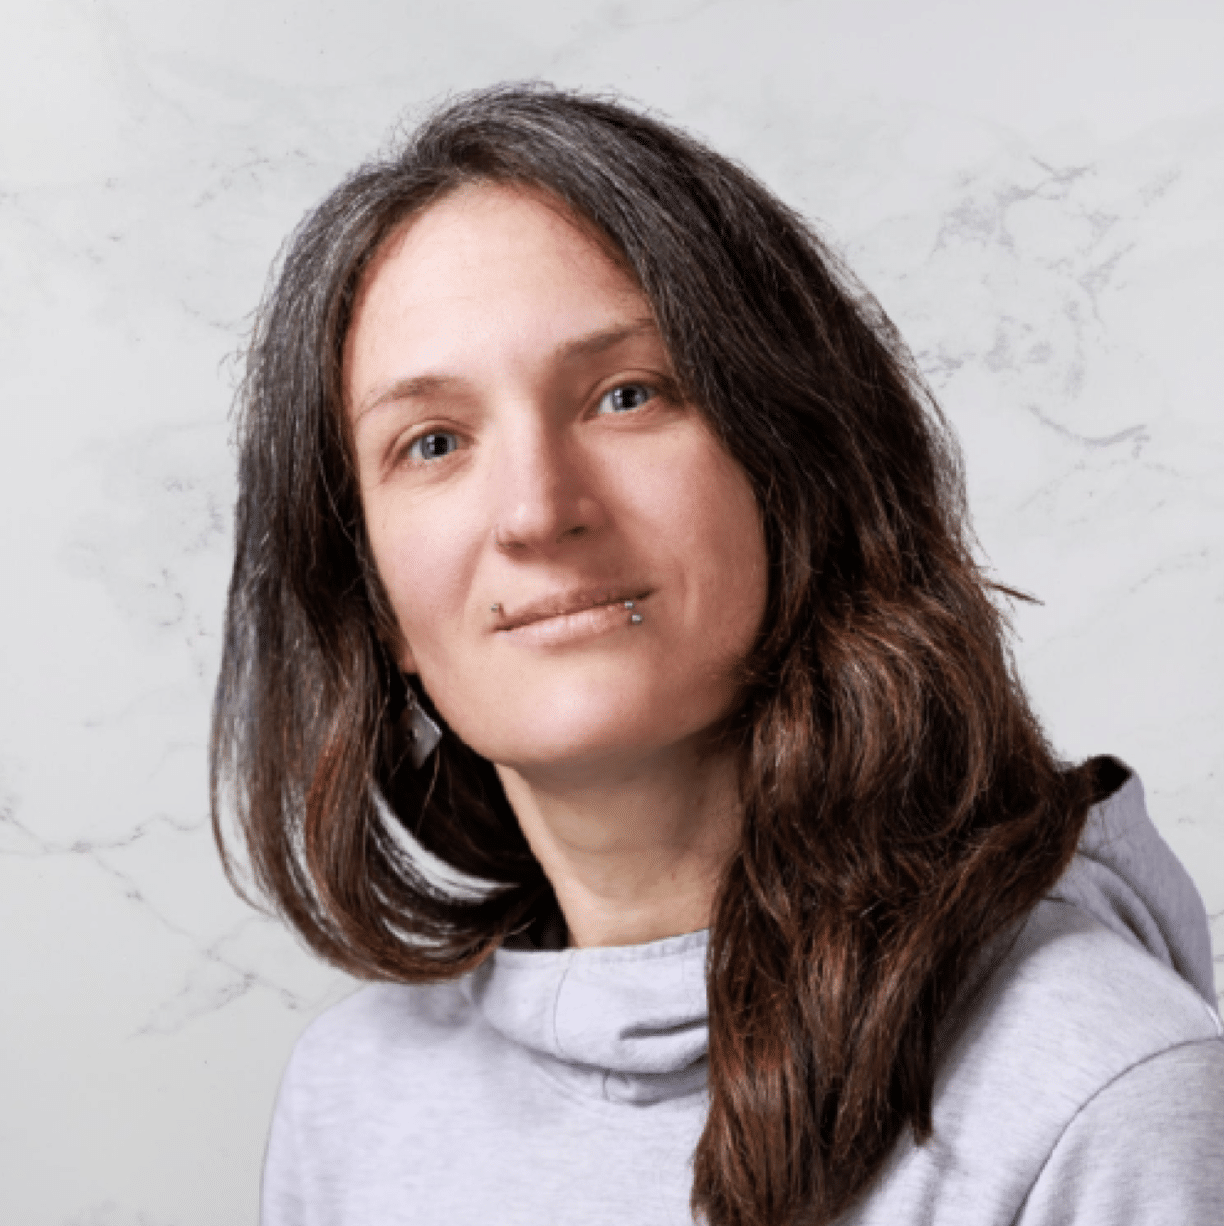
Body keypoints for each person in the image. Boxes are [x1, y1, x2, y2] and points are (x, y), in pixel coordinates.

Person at [210, 84, 1224, 1225]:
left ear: (796, 473)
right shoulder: (353, 1102)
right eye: (433, 443)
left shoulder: (1102, 1093)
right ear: (375, 600)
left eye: (625, 395)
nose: (537, 511)